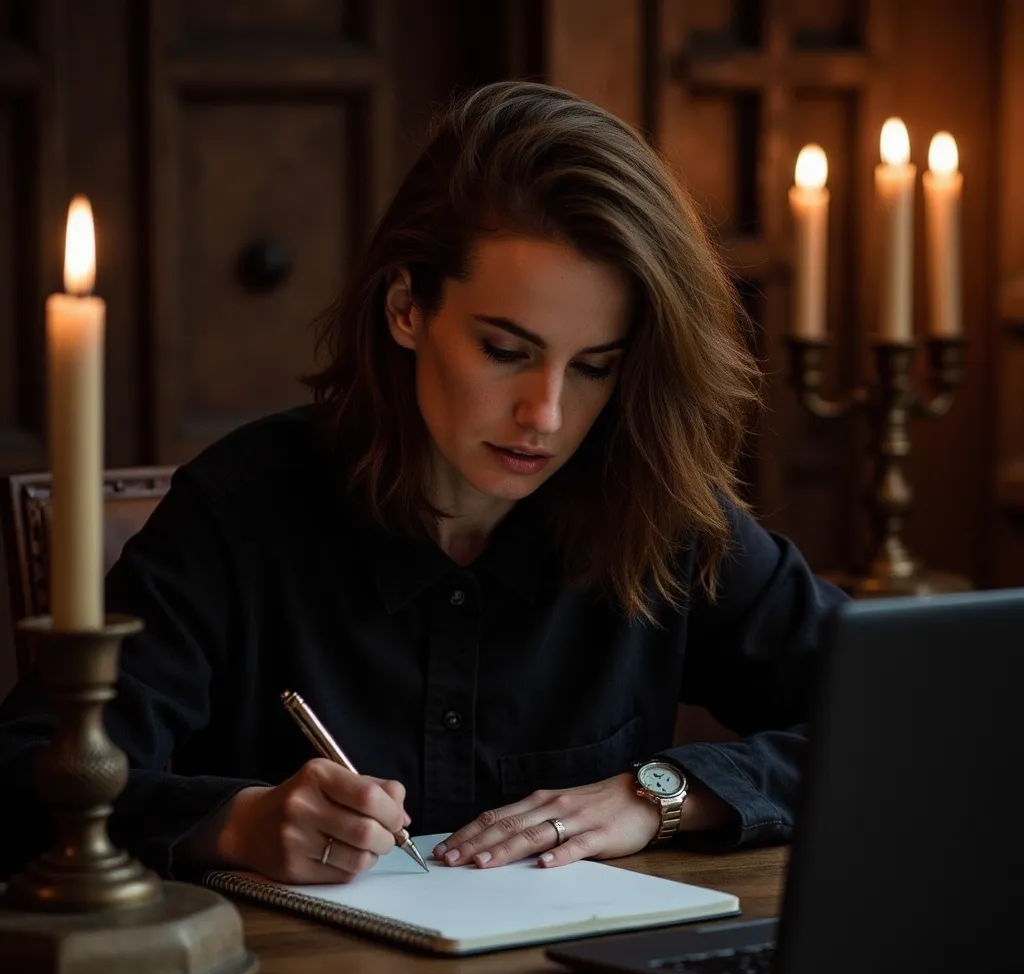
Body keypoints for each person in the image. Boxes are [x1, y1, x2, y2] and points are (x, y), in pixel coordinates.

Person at [0, 81, 845, 885]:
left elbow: (915, 717)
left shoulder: (659, 511)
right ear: (406, 307)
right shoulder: (240, 509)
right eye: (505, 351)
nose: (544, 414)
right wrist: (238, 824)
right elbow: (23, 776)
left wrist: (659, 795)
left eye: (592, 367)